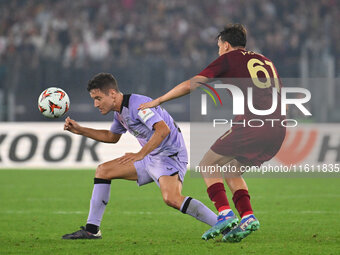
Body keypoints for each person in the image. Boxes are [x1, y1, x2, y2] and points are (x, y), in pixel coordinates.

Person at [139, 24, 286, 242]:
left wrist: (159, 100)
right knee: (233, 172)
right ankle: (248, 216)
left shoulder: (229, 58)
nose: (218, 51)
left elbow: (192, 84)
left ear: (226, 45)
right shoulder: (266, 60)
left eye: (219, 47)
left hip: (252, 125)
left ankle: (225, 214)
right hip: (278, 128)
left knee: (207, 165)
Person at [62, 73, 218, 239]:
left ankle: (221, 223)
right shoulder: (119, 112)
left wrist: (140, 154)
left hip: (169, 156)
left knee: (172, 199)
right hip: (151, 156)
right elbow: (111, 137)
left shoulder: (138, 105)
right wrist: (80, 130)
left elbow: (163, 130)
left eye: (99, 98)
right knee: (103, 171)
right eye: (94, 99)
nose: (95, 104)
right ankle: (91, 230)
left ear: (112, 93)